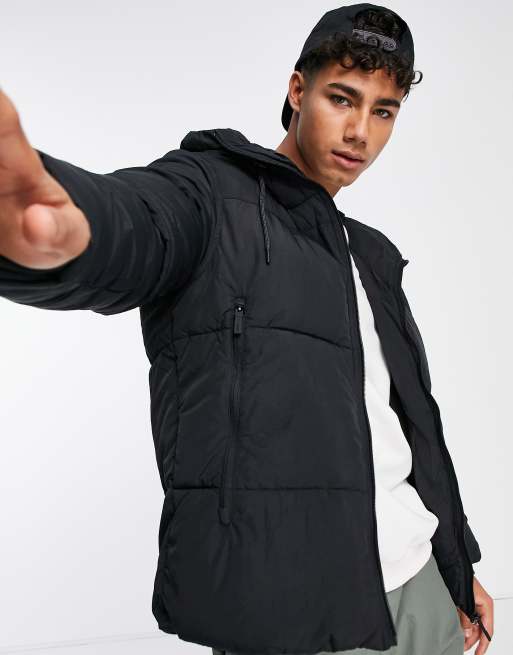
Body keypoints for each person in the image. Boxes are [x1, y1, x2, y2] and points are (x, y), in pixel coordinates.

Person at [0, 3, 494, 654]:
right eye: (341, 98)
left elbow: (410, 432)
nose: (359, 132)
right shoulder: (211, 196)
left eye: (383, 111)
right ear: (297, 90)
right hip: (293, 615)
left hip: (418, 582)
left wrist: (456, 565)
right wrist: (68, 232)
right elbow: (141, 224)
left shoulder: (369, 256)